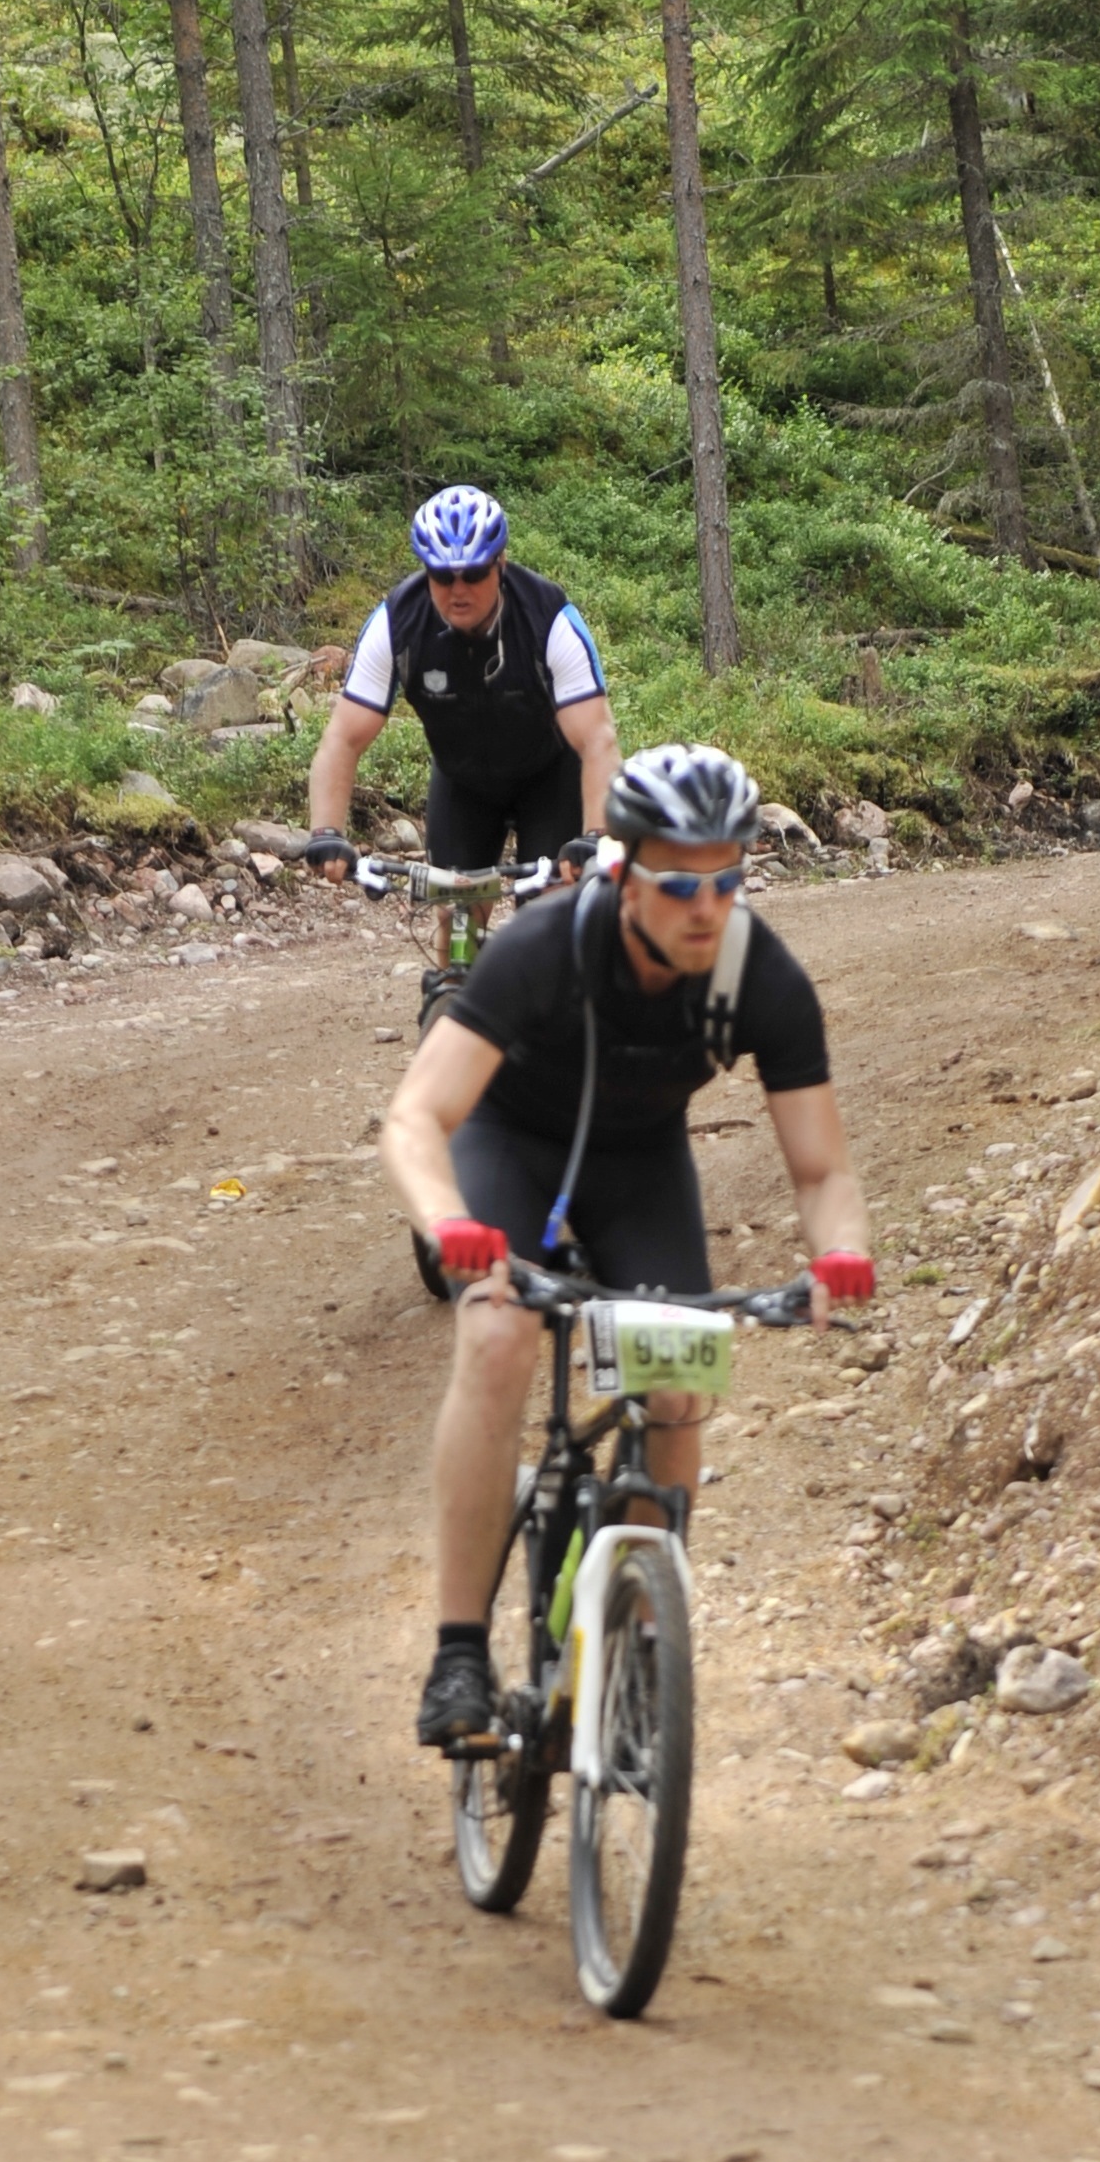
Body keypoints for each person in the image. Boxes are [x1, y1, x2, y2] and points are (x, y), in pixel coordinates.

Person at [376, 740, 875, 1752]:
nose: (707, 906)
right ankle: (459, 1652)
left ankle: (641, 1633)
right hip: (510, 1145)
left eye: (727, 880)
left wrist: (838, 1254)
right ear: (623, 871)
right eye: (679, 883)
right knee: (499, 1337)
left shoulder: (759, 975)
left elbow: (823, 1171)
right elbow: (416, 1118)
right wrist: (449, 1223)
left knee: (679, 1377)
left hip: (640, 1164)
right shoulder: (543, 947)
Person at [303, 486, 621, 888]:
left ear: (500, 563)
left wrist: (597, 836)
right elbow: (343, 738)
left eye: (473, 574)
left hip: (551, 779)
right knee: (452, 905)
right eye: (441, 575)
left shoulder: (548, 618)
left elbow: (597, 739)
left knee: (551, 907)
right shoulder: (397, 622)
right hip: (463, 783)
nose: (458, 590)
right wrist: (326, 831)